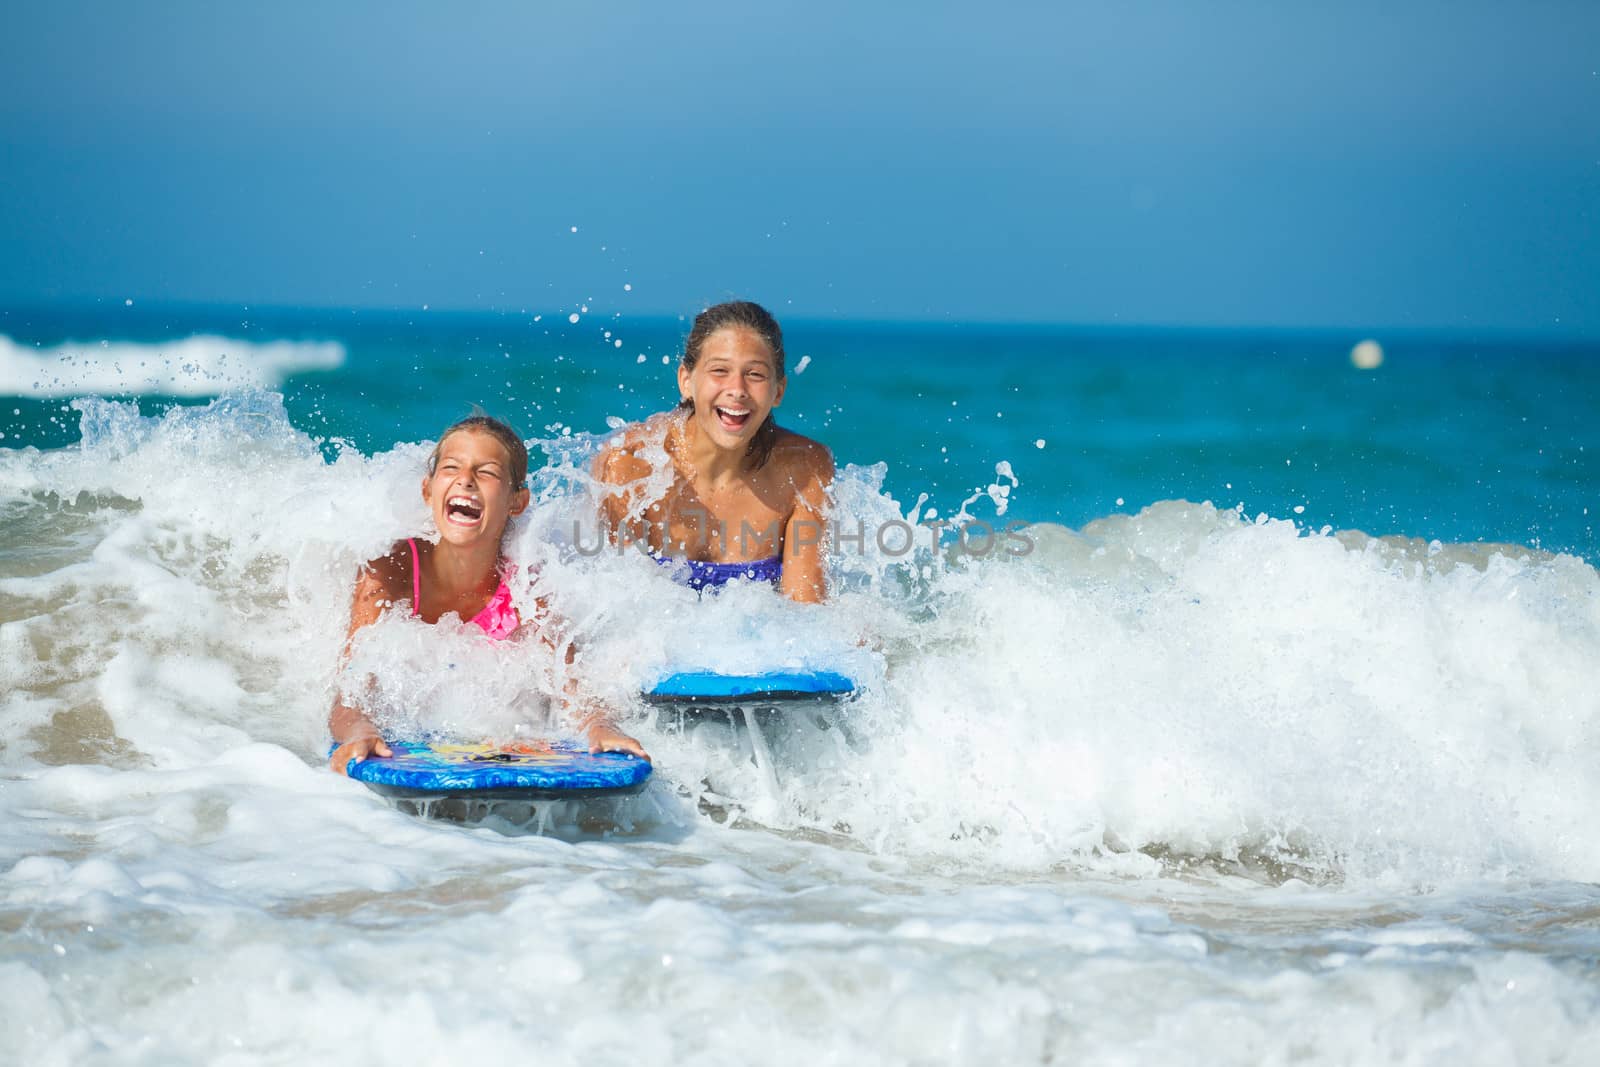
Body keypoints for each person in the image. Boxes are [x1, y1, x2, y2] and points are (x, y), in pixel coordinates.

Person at [329, 414, 648, 775]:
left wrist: (600, 726)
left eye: (487, 473)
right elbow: (350, 694)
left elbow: (571, 686)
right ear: (427, 490)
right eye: (451, 468)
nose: (465, 480)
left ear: (517, 501)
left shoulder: (526, 584)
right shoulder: (388, 571)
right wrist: (360, 730)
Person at [593, 300, 834, 603]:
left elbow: (807, 609)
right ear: (686, 381)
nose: (737, 389)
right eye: (720, 370)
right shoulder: (631, 463)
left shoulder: (803, 469)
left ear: (778, 391)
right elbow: (619, 612)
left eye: (756, 375)